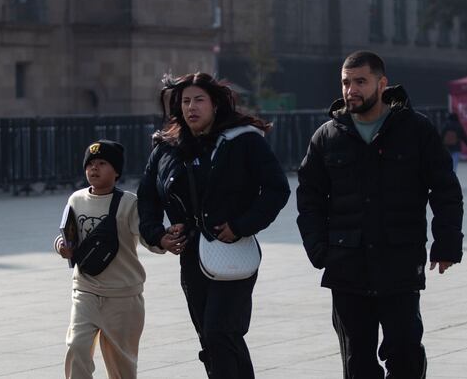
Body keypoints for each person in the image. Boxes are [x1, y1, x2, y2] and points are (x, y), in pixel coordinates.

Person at [296, 51, 464, 379]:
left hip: (399, 261)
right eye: (346, 82)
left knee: (405, 354)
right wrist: (319, 249)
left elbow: (445, 190)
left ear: (381, 83)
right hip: (346, 265)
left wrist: (446, 244)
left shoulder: (415, 130)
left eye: (360, 81)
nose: (351, 90)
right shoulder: (327, 136)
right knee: (357, 363)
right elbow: (308, 197)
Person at [137, 73, 290, 379]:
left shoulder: (243, 140)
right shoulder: (166, 149)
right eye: (185, 101)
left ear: (216, 104)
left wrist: (241, 225)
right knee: (212, 338)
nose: (191, 107)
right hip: (192, 256)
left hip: (232, 250)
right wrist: (158, 235)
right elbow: (147, 197)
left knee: (220, 331)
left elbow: (277, 189)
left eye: (199, 100)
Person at [54, 139, 163, 379]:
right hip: (85, 290)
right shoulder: (76, 200)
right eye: (90, 163)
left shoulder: (129, 203)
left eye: (102, 163)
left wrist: (165, 240)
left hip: (123, 296)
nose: (94, 168)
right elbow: (67, 234)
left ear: (116, 172)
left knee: (121, 365)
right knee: (77, 346)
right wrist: (61, 247)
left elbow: (149, 237)